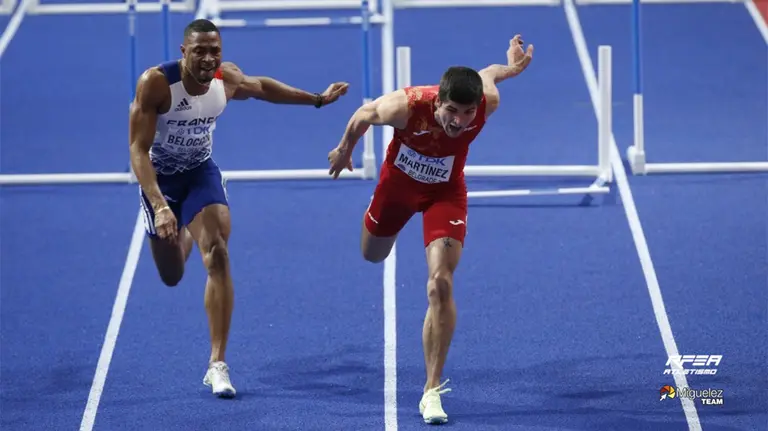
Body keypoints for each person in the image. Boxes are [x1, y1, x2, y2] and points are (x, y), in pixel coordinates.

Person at [129, 18, 349, 398]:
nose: (208, 58)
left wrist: (317, 99)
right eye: (199, 51)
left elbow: (262, 88)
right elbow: (137, 150)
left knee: (218, 253)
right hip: (160, 181)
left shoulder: (225, 79)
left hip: (199, 173)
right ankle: (182, 226)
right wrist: (160, 205)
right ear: (184, 52)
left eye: (214, 51)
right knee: (172, 274)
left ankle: (217, 363)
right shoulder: (157, 84)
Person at [327, 35, 534, 424]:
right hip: (397, 189)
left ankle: (432, 390)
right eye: (452, 111)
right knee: (372, 254)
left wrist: (510, 67)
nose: (459, 121)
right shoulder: (406, 106)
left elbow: (488, 74)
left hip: (445, 194)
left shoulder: (487, 101)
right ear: (438, 101)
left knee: (440, 283)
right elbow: (363, 115)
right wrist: (344, 150)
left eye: (467, 113)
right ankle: (379, 216)